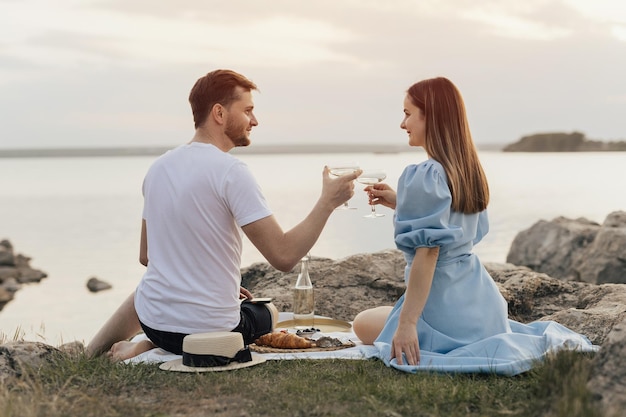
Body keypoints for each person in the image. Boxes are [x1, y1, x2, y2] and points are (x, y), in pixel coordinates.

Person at [86, 69, 360, 360]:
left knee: (151, 287)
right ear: (219, 112)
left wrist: (217, 281)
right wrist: (327, 202)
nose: (255, 121)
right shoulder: (231, 172)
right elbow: (283, 256)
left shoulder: (158, 168)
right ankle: (146, 346)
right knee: (269, 311)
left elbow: (147, 256)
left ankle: (101, 351)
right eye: (248, 111)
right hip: (212, 332)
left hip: (156, 326)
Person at [353, 77, 597, 375]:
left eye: (407, 113)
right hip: (483, 305)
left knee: (362, 322)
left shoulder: (422, 174)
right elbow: (454, 227)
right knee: (382, 316)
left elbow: (429, 253)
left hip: (446, 309)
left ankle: (430, 331)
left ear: (431, 116)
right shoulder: (465, 170)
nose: (402, 124)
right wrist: (400, 202)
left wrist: (407, 324)